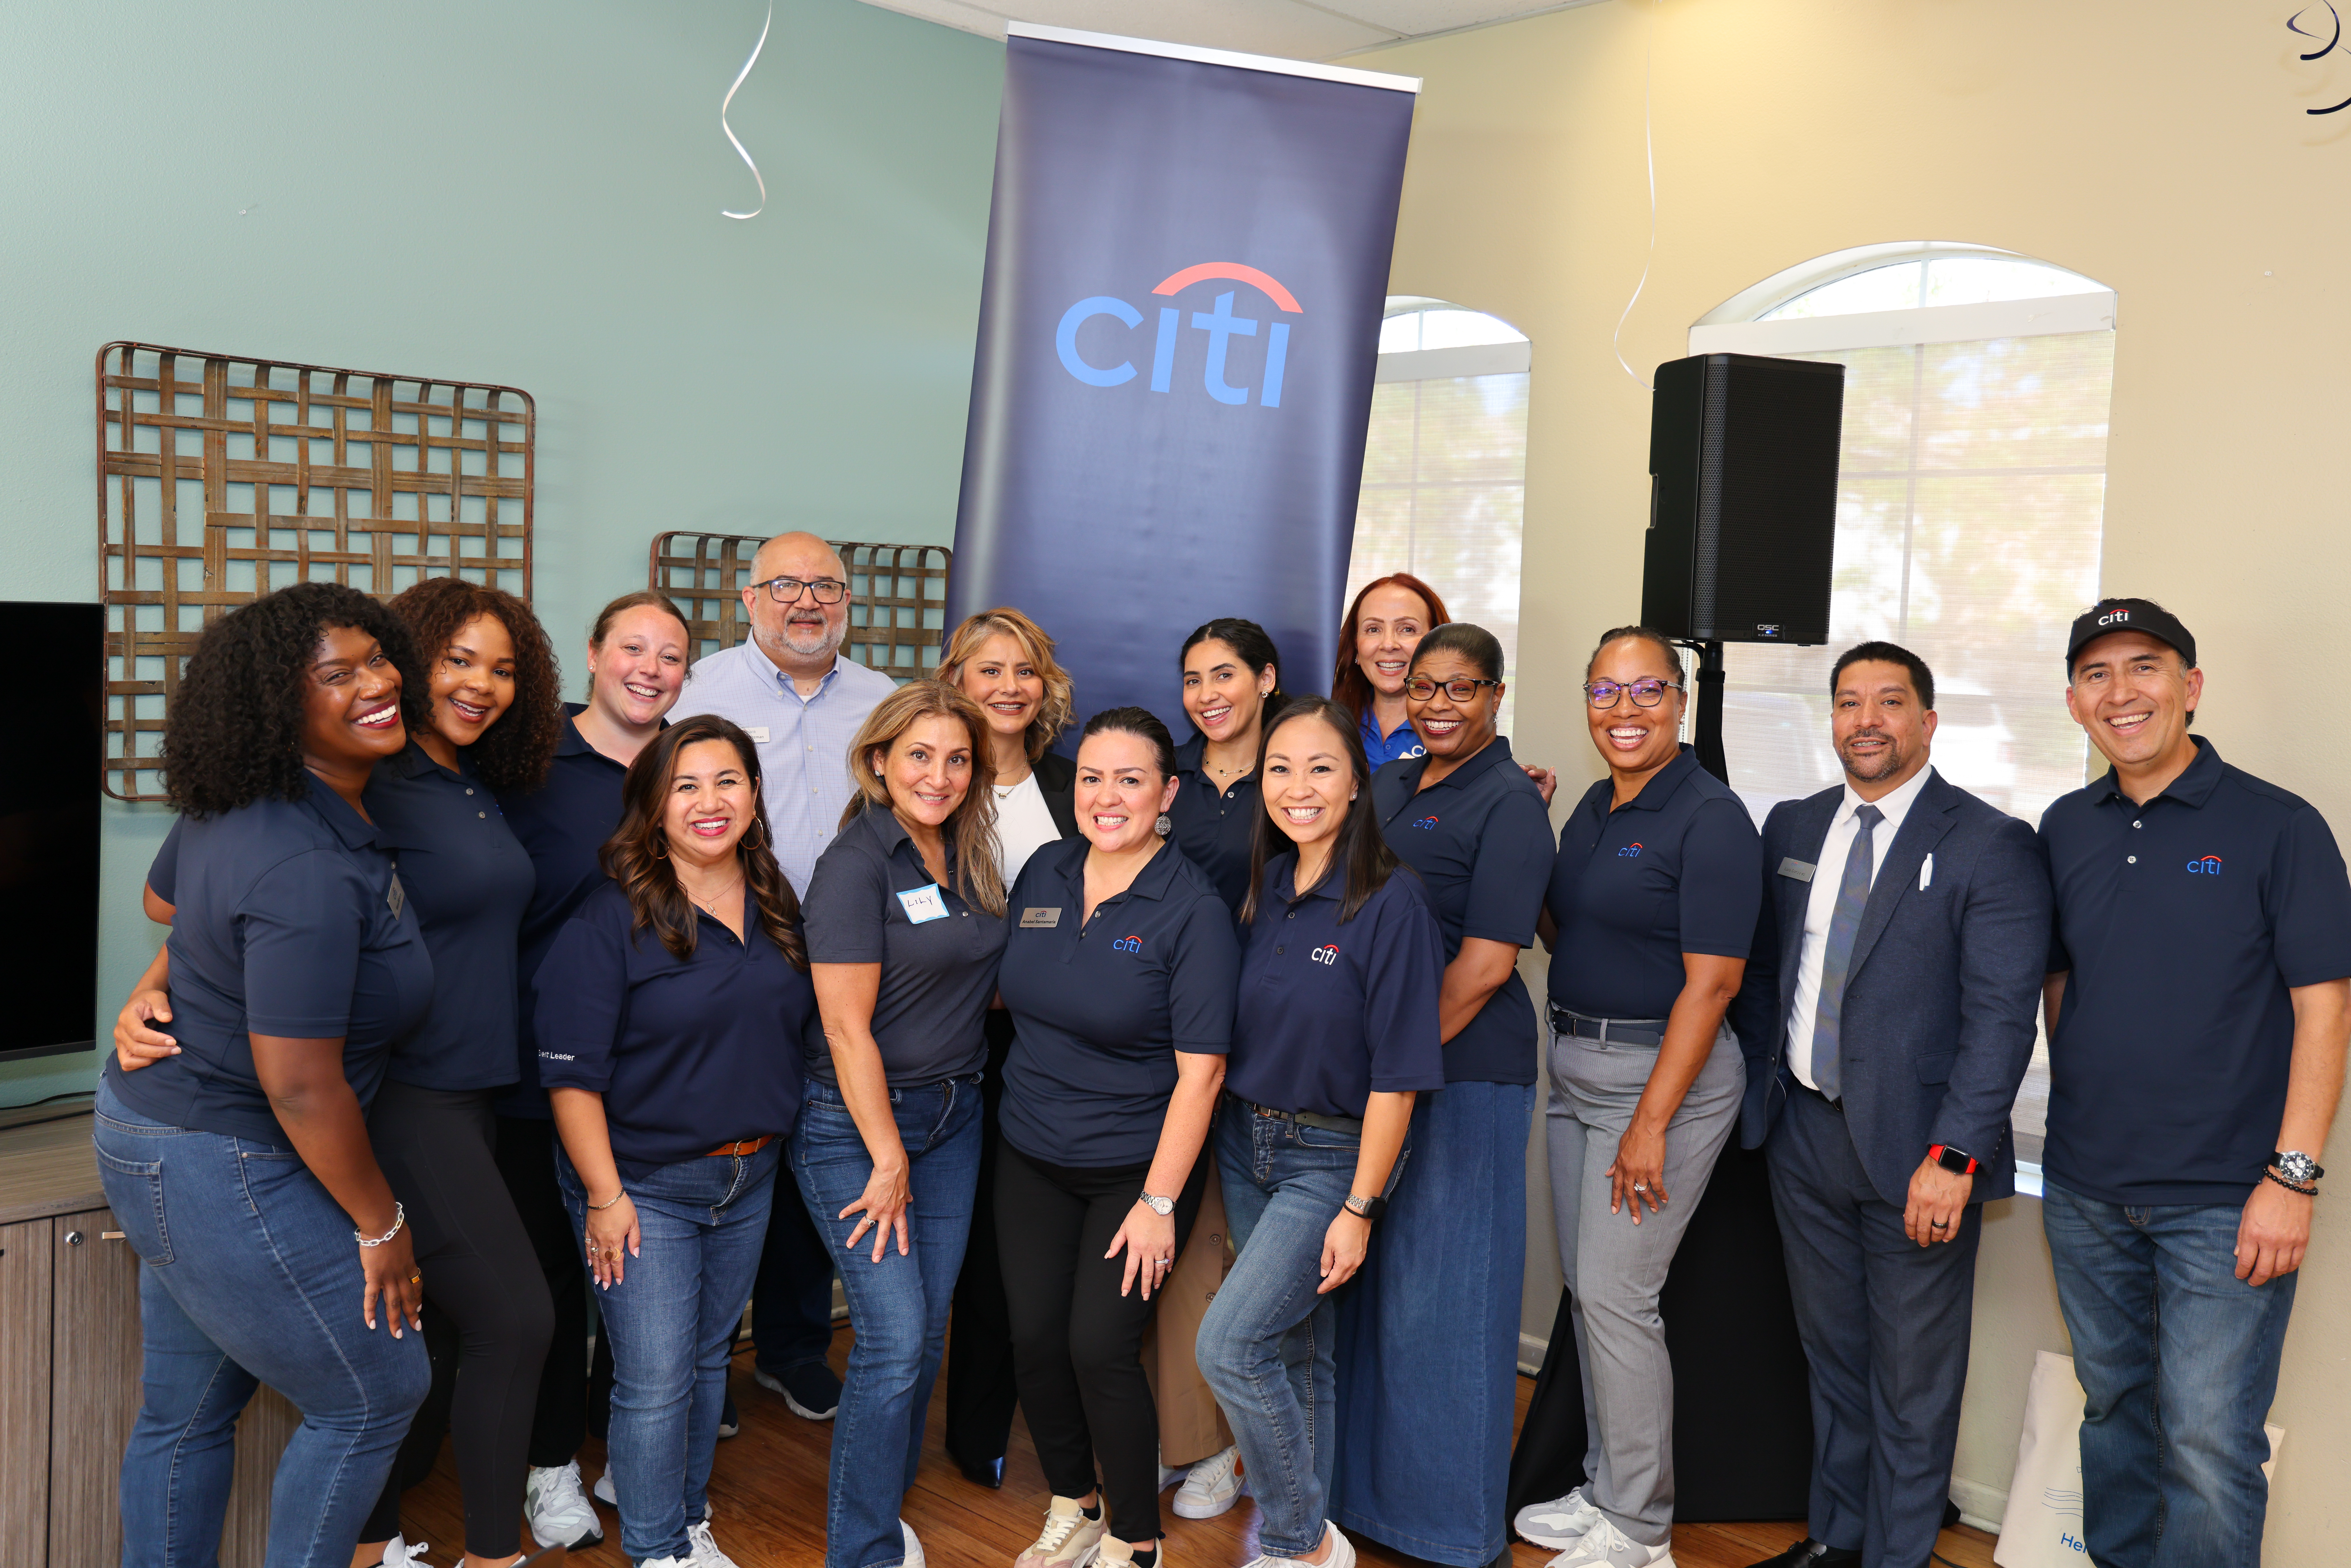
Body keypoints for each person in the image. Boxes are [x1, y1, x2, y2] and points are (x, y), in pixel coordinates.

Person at [94, 582, 433, 1568]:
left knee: (188, 1409)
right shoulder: (304, 865)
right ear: (278, 708)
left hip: (161, 1130)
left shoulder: (250, 799)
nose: (378, 684)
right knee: (377, 1391)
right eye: (338, 675)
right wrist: (385, 1224)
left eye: (378, 659)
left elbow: (170, 905)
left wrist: (158, 986)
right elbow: (300, 1085)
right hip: (230, 1151)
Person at [2035, 599, 2351, 1567]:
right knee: (2117, 1413)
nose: (2121, 692)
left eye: (2145, 667)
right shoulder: (2064, 826)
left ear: (2190, 687)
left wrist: (2291, 1179)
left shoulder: (2278, 826)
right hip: (2087, 1189)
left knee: (2211, 1443)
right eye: (2097, 674)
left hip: (2227, 1200)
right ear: (2075, 702)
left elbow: (2326, 1010)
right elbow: (2059, 982)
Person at [1728, 643, 2050, 1568]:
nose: (1865, 720)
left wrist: (1955, 1156)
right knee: (1832, 1362)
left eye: (1889, 702)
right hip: (1802, 1137)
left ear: (1927, 722)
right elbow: (1763, 978)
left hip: (1920, 1157)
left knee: (1912, 1381)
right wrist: (1763, 1094)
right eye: (1847, 702)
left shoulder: (1991, 843)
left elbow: (2001, 1022)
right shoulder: (1792, 825)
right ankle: (1837, 1540)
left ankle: (1898, 1558)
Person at [536, 714, 818, 1568]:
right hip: (642, 1181)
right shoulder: (608, 915)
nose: (709, 802)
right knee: (656, 1378)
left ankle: (683, 1519)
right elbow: (571, 1078)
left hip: (748, 1176)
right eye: (684, 785)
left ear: (755, 792)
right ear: (653, 806)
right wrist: (605, 1196)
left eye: (727, 780)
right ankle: (658, 1550)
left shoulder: (774, 898)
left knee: (702, 1363)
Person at [1516, 626, 1758, 1568]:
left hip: (1662, 1083)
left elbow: (1714, 984)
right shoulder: (1594, 805)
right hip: (1575, 1067)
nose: (1624, 711)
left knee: (1619, 1299)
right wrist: (1526, 834)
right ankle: (1606, 1487)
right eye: (1605, 693)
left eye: (1646, 691)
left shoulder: (1710, 816)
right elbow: (1565, 927)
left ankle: (1640, 1530)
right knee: (1592, 1293)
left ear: (1680, 701)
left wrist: (1651, 1122)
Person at [1195, 696, 1447, 1568]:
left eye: (1320, 768)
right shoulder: (1266, 887)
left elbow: (1399, 1077)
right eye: (1280, 768)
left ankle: (1302, 1544)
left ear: (1357, 782)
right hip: (1245, 1141)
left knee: (1228, 1345)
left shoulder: (1392, 901)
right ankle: (1304, 1537)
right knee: (1298, 1352)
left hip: (1330, 1159)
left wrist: (1361, 1206)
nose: (1297, 788)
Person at [995, 707, 1239, 1568]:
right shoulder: (1045, 872)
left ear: (1167, 793)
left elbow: (1201, 1074)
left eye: (1130, 779)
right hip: (1029, 1150)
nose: (1106, 796)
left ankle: (1136, 1539)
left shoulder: (1191, 912)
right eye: (1091, 777)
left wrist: (1158, 1202)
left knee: (1098, 1347)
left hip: (1130, 1169)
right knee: (1032, 1339)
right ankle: (1076, 1499)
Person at [1333, 624, 1553, 1568]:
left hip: (1464, 1073)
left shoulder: (1509, 803)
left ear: (1496, 694)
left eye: (1461, 688)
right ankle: (1367, 1504)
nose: (1438, 704)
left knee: (1449, 1301)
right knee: (1376, 1295)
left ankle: (1455, 1531)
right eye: (1423, 687)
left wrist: (1393, 1059)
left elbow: (1485, 963)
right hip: (1383, 1071)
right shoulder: (1387, 784)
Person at [674, 530, 893, 1427]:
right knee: (724, 1147)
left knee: (815, 1149)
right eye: (786, 585)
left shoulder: (885, 702)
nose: (808, 601)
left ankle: (795, 1349)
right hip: (726, 950)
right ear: (748, 597)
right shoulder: (698, 691)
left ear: (848, 600)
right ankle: (705, 1366)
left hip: (849, 958)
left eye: (826, 587)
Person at [797, 681, 1009, 1568]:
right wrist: (886, 1155)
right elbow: (846, 1027)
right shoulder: (857, 864)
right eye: (920, 755)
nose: (940, 774)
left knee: (922, 1331)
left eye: (957, 758)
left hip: (956, 1116)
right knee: (889, 1335)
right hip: (859, 1127)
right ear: (880, 760)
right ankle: (864, 1549)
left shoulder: (966, 852)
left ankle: (881, 1496)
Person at [495, 589, 691, 1546]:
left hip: (651, 1078)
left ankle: (627, 1449)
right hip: (537, 1070)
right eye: (634, 649)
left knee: (640, 1273)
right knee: (551, 1284)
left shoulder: (685, 771)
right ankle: (547, 1466)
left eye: (671, 656)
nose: (650, 669)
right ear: (595, 654)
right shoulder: (528, 763)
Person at [936, 608, 1079, 1487]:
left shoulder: (1074, 785)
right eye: (988, 671)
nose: (1008, 687)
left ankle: (1069, 1421)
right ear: (956, 682)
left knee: (1051, 1240)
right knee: (983, 1247)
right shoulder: (935, 782)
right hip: (961, 1041)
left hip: (1061, 1042)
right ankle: (978, 1426)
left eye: (1023, 670)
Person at [1329, 574, 1448, 769]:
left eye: (1408, 629)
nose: (1388, 645)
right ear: (1356, 645)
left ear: (1437, 642)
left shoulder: (1455, 729)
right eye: (1374, 630)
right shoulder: (1330, 724)